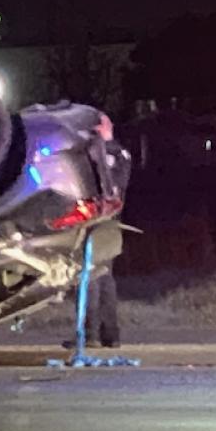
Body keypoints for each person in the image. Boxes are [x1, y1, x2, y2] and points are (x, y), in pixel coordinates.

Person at [69, 111, 130, 350]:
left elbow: (107, 185)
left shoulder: (107, 153)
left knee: (90, 276)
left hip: (98, 220)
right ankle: (110, 335)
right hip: (109, 221)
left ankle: (90, 335)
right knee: (104, 276)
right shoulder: (120, 153)